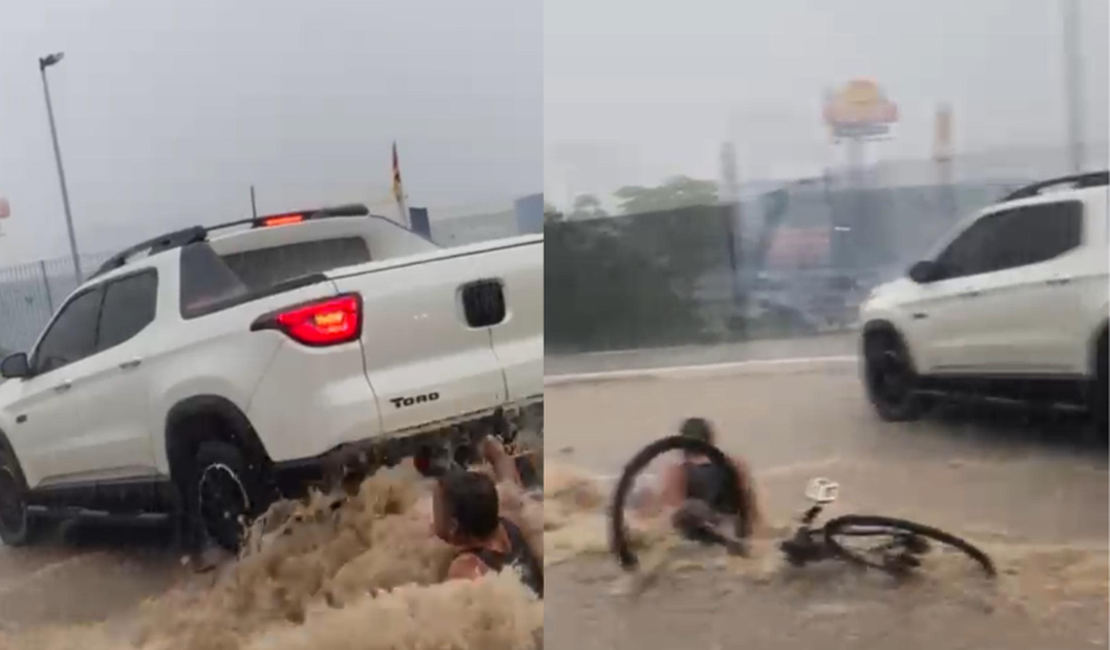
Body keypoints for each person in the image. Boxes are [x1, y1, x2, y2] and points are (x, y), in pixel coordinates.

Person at [431, 436, 544, 597]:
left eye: (435, 510)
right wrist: (494, 450)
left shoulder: (466, 568)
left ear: (453, 527)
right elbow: (509, 480)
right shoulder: (511, 524)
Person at [657, 417, 762, 551]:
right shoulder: (735, 464)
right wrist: (753, 531)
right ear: (711, 440)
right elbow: (748, 505)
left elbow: (673, 511)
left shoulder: (678, 471)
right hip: (731, 524)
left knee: (689, 510)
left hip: (699, 529)